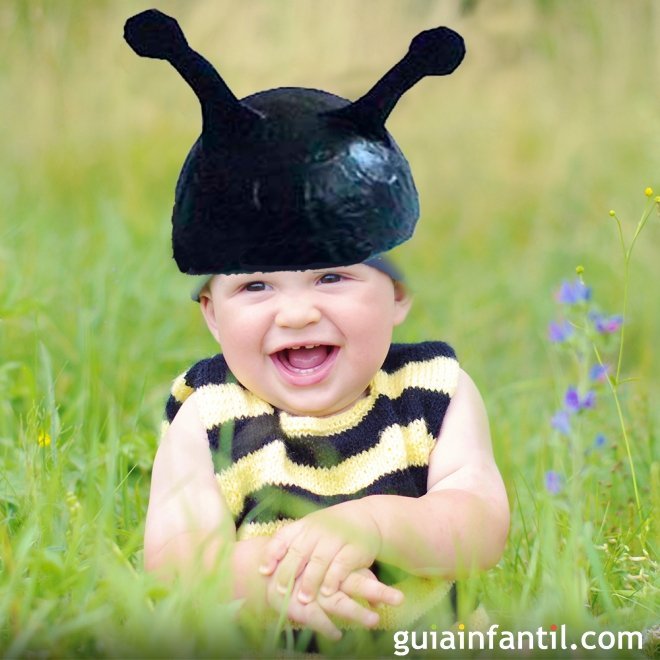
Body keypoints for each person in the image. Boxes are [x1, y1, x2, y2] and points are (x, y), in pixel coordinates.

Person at [124, 8, 508, 644]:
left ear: (398, 298)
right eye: (256, 285)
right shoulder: (209, 418)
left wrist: (378, 526)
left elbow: (479, 525)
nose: (297, 311)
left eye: (332, 277)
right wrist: (273, 575)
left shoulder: (433, 394)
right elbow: (176, 563)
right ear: (212, 317)